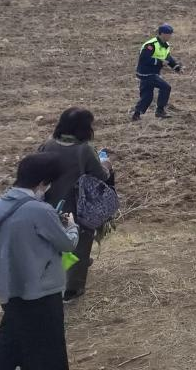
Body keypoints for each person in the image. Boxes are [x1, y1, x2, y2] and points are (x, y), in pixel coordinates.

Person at [0, 152, 79, 370]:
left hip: (9, 286)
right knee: (48, 348)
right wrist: (71, 226)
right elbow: (66, 244)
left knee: (12, 340)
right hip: (40, 290)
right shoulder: (40, 210)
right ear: (43, 182)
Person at [38, 107, 113, 302]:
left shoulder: (48, 144)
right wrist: (106, 164)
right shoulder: (84, 150)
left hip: (48, 203)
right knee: (80, 242)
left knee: (54, 241)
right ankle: (73, 288)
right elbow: (100, 176)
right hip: (77, 206)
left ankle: (52, 274)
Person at [132, 23, 184, 121]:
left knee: (147, 96)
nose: (170, 36)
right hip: (146, 73)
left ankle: (136, 114)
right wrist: (159, 62)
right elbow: (144, 59)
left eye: (171, 33)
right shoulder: (151, 45)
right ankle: (160, 111)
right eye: (168, 34)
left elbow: (167, 57)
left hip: (153, 73)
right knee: (166, 87)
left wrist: (176, 67)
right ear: (161, 34)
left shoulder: (166, 45)